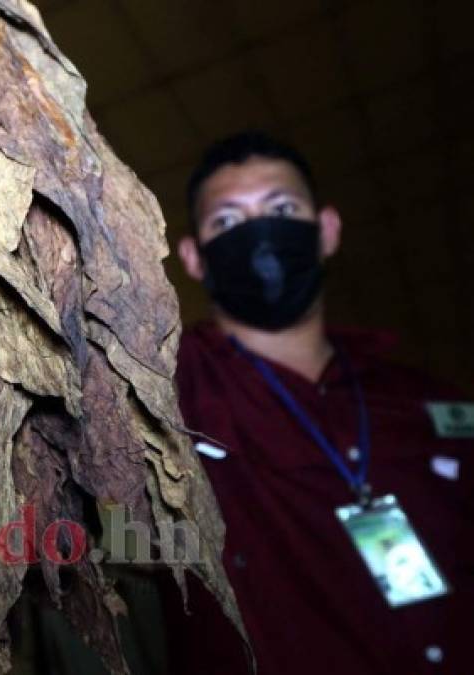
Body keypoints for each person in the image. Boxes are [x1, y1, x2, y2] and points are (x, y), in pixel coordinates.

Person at [162, 131, 474, 674]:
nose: (260, 234)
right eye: (228, 222)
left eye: (281, 208)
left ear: (326, 230)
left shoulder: (429, 401)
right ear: (194, 256)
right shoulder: (167, 393)